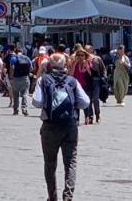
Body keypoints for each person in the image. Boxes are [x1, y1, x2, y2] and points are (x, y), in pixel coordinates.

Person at [33, 52, 89, 201]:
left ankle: (52, 196)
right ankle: (68, 196)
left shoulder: (43, 80)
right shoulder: (72, 81)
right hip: (70, 125)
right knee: (70, 162)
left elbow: (37, 102)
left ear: (50, 66)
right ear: (65, 65)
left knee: (50, 162)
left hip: (50, 126)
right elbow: (85, 102)